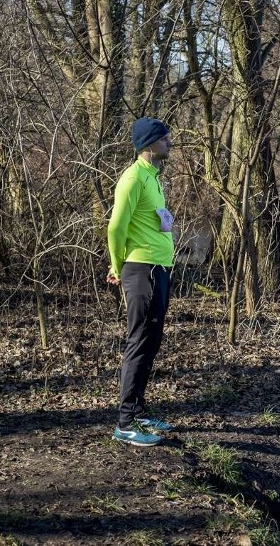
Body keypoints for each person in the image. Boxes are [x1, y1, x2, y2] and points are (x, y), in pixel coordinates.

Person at [107, 117, 176, 446]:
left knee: (151, 342)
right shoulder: (133, 178)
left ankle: (137, 411)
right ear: (148, 144)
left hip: (158, 269)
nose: (168, 142)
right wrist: (116, 266)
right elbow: (115, 228)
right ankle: (124, 423)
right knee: (139, 342)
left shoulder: (153, 177)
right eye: (163, 138)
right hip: (140, 270)